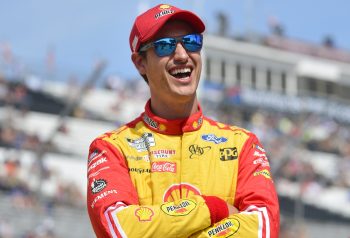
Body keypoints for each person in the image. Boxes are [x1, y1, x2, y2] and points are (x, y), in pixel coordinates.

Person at [87, 3, 280, 238]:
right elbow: (120, 230)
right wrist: (213, 209)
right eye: (164, 46)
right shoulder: (111, 149)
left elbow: (263, 229)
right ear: (140, 63)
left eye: (191, 42)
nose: (181, 55)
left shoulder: (243, 145)